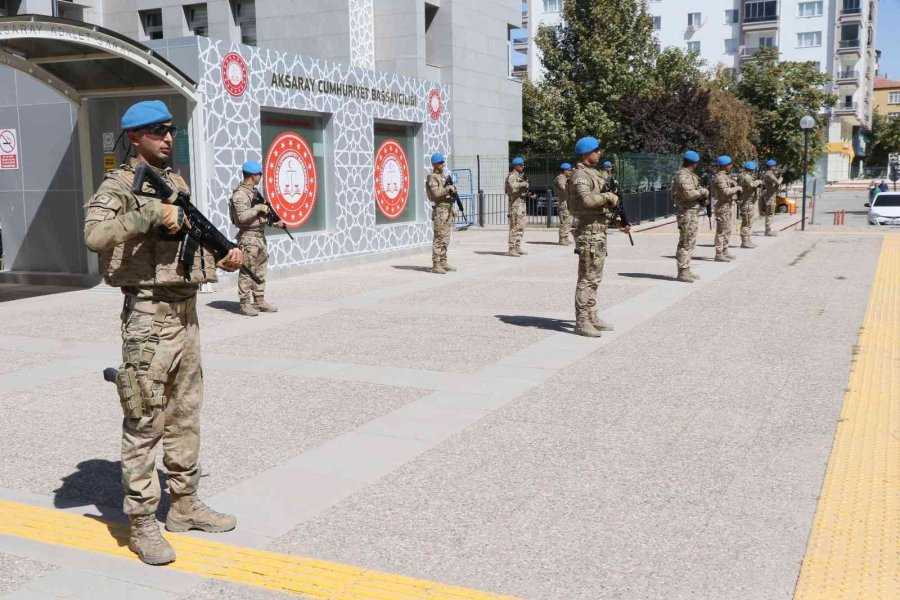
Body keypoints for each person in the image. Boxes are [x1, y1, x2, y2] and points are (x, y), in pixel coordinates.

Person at [83, 100, 242, 566]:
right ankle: (143, 523)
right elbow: (94, 236)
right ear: (134, 138)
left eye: (170, 130)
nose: (167, 138)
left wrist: (223, 253)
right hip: (148, 320)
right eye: (156, 131)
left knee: (185, 414)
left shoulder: (174, 182)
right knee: (144, 421)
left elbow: (185, 238)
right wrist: (148, 216)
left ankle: (186, 504)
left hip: (185, 312)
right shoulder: (119, 186)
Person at [567, 136, 630, 337]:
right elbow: (586, 200)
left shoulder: (593, 174)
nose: (599, 153)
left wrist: (618, 222)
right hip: (587, 233)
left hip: (598, 231)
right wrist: (608, 197)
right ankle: (582, 321)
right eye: (596, 150)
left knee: (595, 278)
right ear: (586, 153)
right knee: (586, 278)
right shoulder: (580, 176)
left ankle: (592, 315)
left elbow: (601, 208)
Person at [229, 160, 285, 316]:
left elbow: (259, 216)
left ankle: (259, 300)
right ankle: (245, 303)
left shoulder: (254, 193)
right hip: (248, 238)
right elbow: (241, 218)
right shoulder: (240, 194)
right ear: (253, 175)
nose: (261, 176)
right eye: (259, 174)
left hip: (259, 237)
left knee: (260, 270)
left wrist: (274, 222)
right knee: (247, 271)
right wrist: (259, 208)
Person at [671, 150, 709, 283]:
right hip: (686, 214)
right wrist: (703, 192)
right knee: (685, 242)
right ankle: (682, 271)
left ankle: (686, 269)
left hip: (691, 213)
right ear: (694, 163)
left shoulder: (690, 175)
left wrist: (702, 199)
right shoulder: (683, 176)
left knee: (690, 242)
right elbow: (689, 194)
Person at [426, 153, 457, 274]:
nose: (443, 164)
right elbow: (436, 194)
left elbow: (446, 194)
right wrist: (447, 189)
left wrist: (452, 207)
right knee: (439, 237)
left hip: (447, 208)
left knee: (446, 237)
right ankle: (436, 264)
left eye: (443, 162)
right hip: (440, 210)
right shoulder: (433, 177)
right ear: (434, 164)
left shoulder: (442, 176)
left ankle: (443, 261)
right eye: (440, 162)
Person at [711, 156, 742, 262]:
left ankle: (725, 250)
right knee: (721, 231)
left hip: (727, 207)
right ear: (724, 166)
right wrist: (737, 188)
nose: (731, 166)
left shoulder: (726, 177)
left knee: (728, 230)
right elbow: (725, 192)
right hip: (721, 208)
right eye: (730, 164)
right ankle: (718, 254)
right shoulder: (720, 177)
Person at [506, 156, 530, 256]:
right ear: (515, 166)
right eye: (520, 165)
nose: (522, 166)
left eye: (523, 164)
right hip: (515, 204)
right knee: (515, 226)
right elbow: (512, 185)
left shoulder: (521, 176)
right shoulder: (512, 176)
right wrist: (523, 184)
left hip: (522, 203)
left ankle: (517, 246)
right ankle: (512, 248)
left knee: (522, 226)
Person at [737, 162, 762, 249]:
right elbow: (752, 184)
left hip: (749, 202)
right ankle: (745, 242)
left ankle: (748, 240)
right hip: (747, 203)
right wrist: (759, 181)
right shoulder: (746, 177)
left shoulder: (745, 176)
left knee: (749, 223)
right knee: (746, 223)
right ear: (752, 169)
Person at [761, 159, 783, 236]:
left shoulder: (770, 173)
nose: (775, 167)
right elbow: (777, 182)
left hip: (771, 196)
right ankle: (768, 230)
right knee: (769, 213)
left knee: (770, 213)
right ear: (771, 167)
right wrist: (781, 179)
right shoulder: (769, 174)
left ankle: (768, 229)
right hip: (769, 196)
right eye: (774, 166)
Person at [554, 163, 574, 245]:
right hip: (564, 203)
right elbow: (564, 188)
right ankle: (562, 238)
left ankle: (566, 237)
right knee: (564, 221)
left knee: (569, 221)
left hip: (568, 202)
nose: (571, 172)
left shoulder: (567, 178)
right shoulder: (560, 178)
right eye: (569, 170)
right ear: (565, 170)